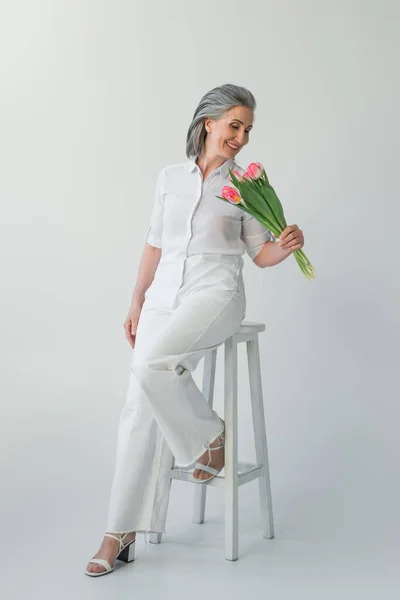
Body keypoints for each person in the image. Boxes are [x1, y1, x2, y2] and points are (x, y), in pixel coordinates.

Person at [85, 83, 305, 576]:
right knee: (139, 397)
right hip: (165, 293)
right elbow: (154, 246)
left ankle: (210, 438)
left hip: (217, 291)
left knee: (150, 366)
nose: (242, 137)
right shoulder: (169, 178)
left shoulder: (248, 186)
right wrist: (137, 300)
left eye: (247, 129)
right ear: (209, 123)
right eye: (235, 125)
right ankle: (119, 531)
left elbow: (260, 255)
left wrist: (286, 246)